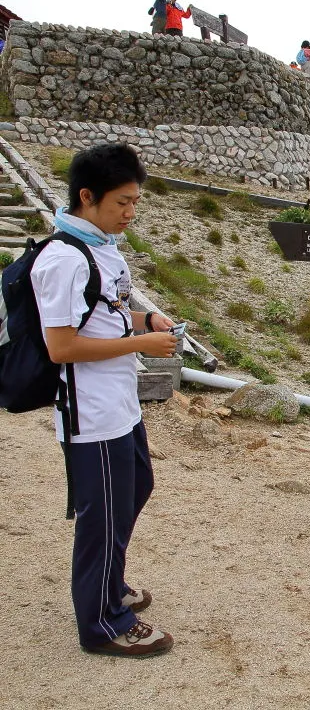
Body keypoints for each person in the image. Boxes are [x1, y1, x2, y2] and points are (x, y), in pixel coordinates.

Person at [31, 143, 180, 657]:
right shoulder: (62, 259)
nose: (130, 213)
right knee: (104, 515)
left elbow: (108, 314)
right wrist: (142, 343)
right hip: (90, 415)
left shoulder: (99, 248)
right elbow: (62, 345)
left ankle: (108, 587)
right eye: (122, 203)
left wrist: (147, 321)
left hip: (119, 405)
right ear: (87, 197)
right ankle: (100, 623)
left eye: (135, 202)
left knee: (135, 488)